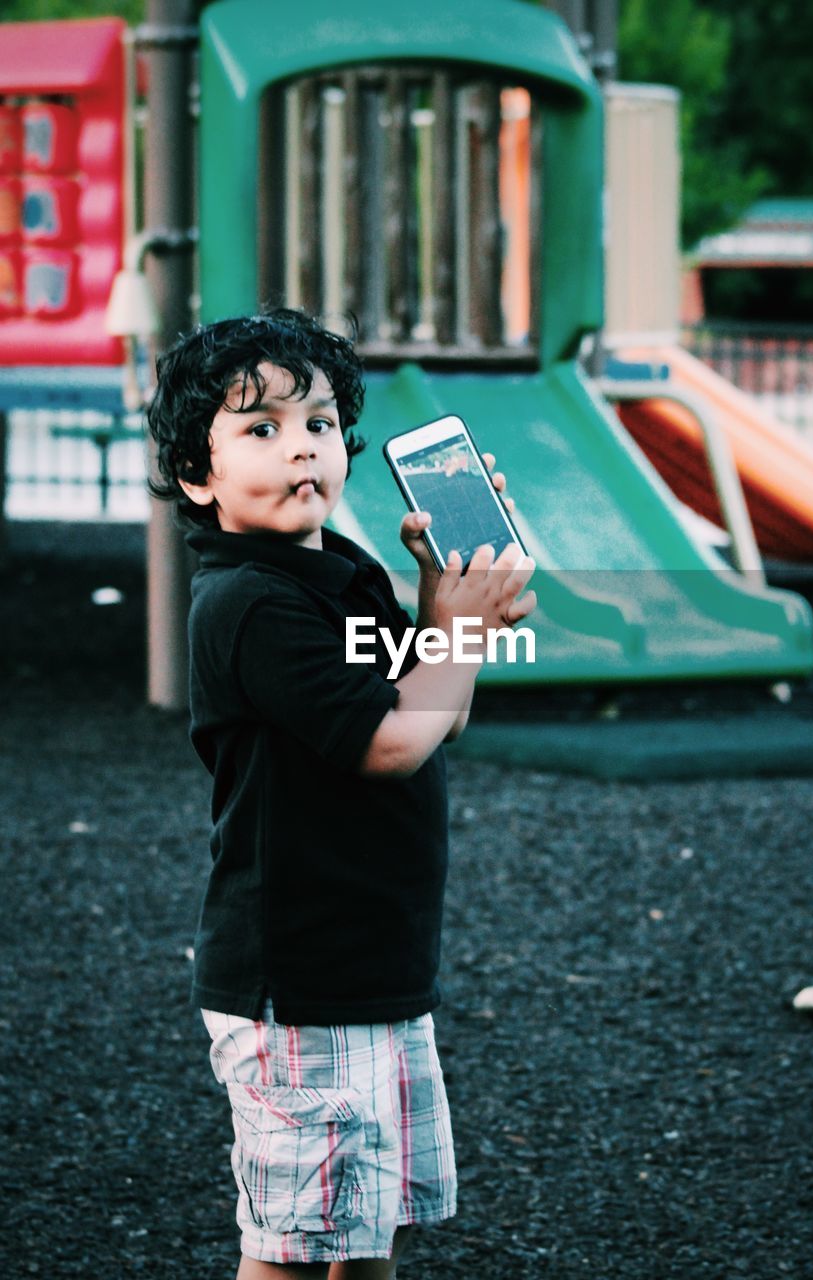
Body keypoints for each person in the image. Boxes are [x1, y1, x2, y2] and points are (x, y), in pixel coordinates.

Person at [146, 308, 537, 1279]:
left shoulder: (338, 570)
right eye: (260, 428)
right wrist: (463, 631)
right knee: (292, 1246)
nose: (300, 448)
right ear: (198, 475)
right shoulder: (248, 602)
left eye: (317, 423)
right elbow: (387, 741)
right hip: (297, 982)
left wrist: (441, 600)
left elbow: (435, 711)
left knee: (369, 1228)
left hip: (370, 967)